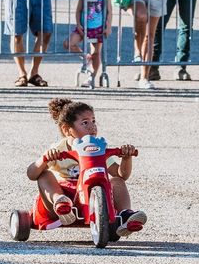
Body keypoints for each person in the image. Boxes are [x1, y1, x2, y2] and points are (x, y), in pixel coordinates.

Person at [26, 97, 146, 235]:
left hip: (93, 191)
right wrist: (44, 159)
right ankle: (60, 202)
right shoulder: (59, 149)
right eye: (85, 122)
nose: (92, 126)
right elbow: (31, 174)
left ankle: (125, 216)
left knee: (117, 181)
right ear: (67, 130)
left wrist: (126, 158)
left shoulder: (98, 148)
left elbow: (121, 175)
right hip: (65, 194)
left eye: (93, 121)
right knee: (44, 175)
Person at [64, 0, 111, 84]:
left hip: (98, 27)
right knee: (68, 44)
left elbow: (109, 11)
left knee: (97, 52)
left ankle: (92, 77)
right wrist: (78, 24)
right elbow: (78, 10)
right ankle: (86, 57)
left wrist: (108, 26)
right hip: (84, 26)